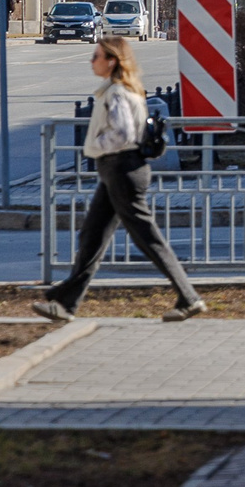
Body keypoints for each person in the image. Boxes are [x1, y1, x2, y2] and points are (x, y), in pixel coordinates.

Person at [33, 37, 206, 324]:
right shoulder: (127, 90)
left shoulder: (116, 93)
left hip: (122, 169)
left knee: (148, 239)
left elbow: (123, 133)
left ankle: (189, 297)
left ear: (112, 61)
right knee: (92, 236)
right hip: (119, 171)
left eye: (97, 56)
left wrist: (96, 147)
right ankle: (65, 304)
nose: (92, 61)